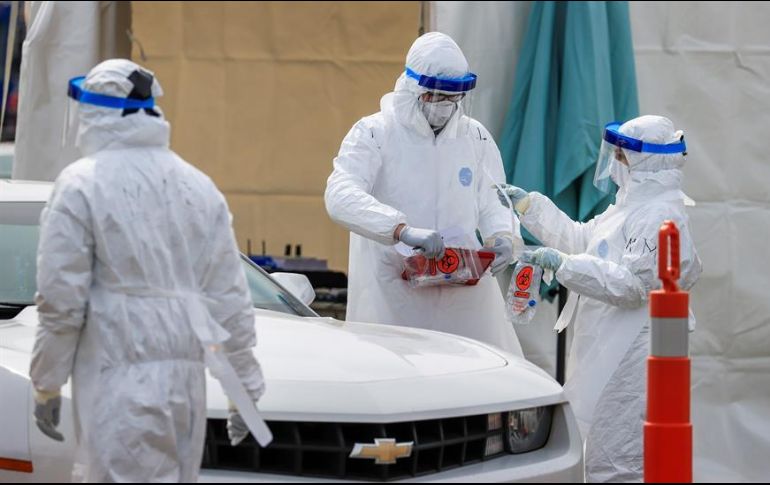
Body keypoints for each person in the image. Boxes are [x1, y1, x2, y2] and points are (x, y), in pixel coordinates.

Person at [30, 59, 266, 482]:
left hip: (115, 376)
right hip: (186, 387)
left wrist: (46, 381)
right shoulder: (198, 185)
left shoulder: (82, 183)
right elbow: (230, 299)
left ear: (95, 112)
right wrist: (243, 391)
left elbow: (60, 300)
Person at [498, 115, 702, 482]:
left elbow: (631, 287)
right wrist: (531, 207)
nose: (615, 163)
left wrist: (563, 266)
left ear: (645, 161)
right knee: (596, 450)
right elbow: (582, 242)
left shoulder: (660, 214)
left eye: (622, 156)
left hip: (634, 354)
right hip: (607, 346)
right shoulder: (629, 208)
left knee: (619, 460)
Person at [324, 32, 524, 355]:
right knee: (402, 389)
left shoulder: (475, 137)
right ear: (413, 87)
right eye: (438, 96)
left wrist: (502, 236)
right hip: (394, 298)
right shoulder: (375, 133)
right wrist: (401, 230)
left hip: (464, 299)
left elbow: (493, 199)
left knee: (475, 387)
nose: (447, 106)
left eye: (453, 97)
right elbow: (339, 194)